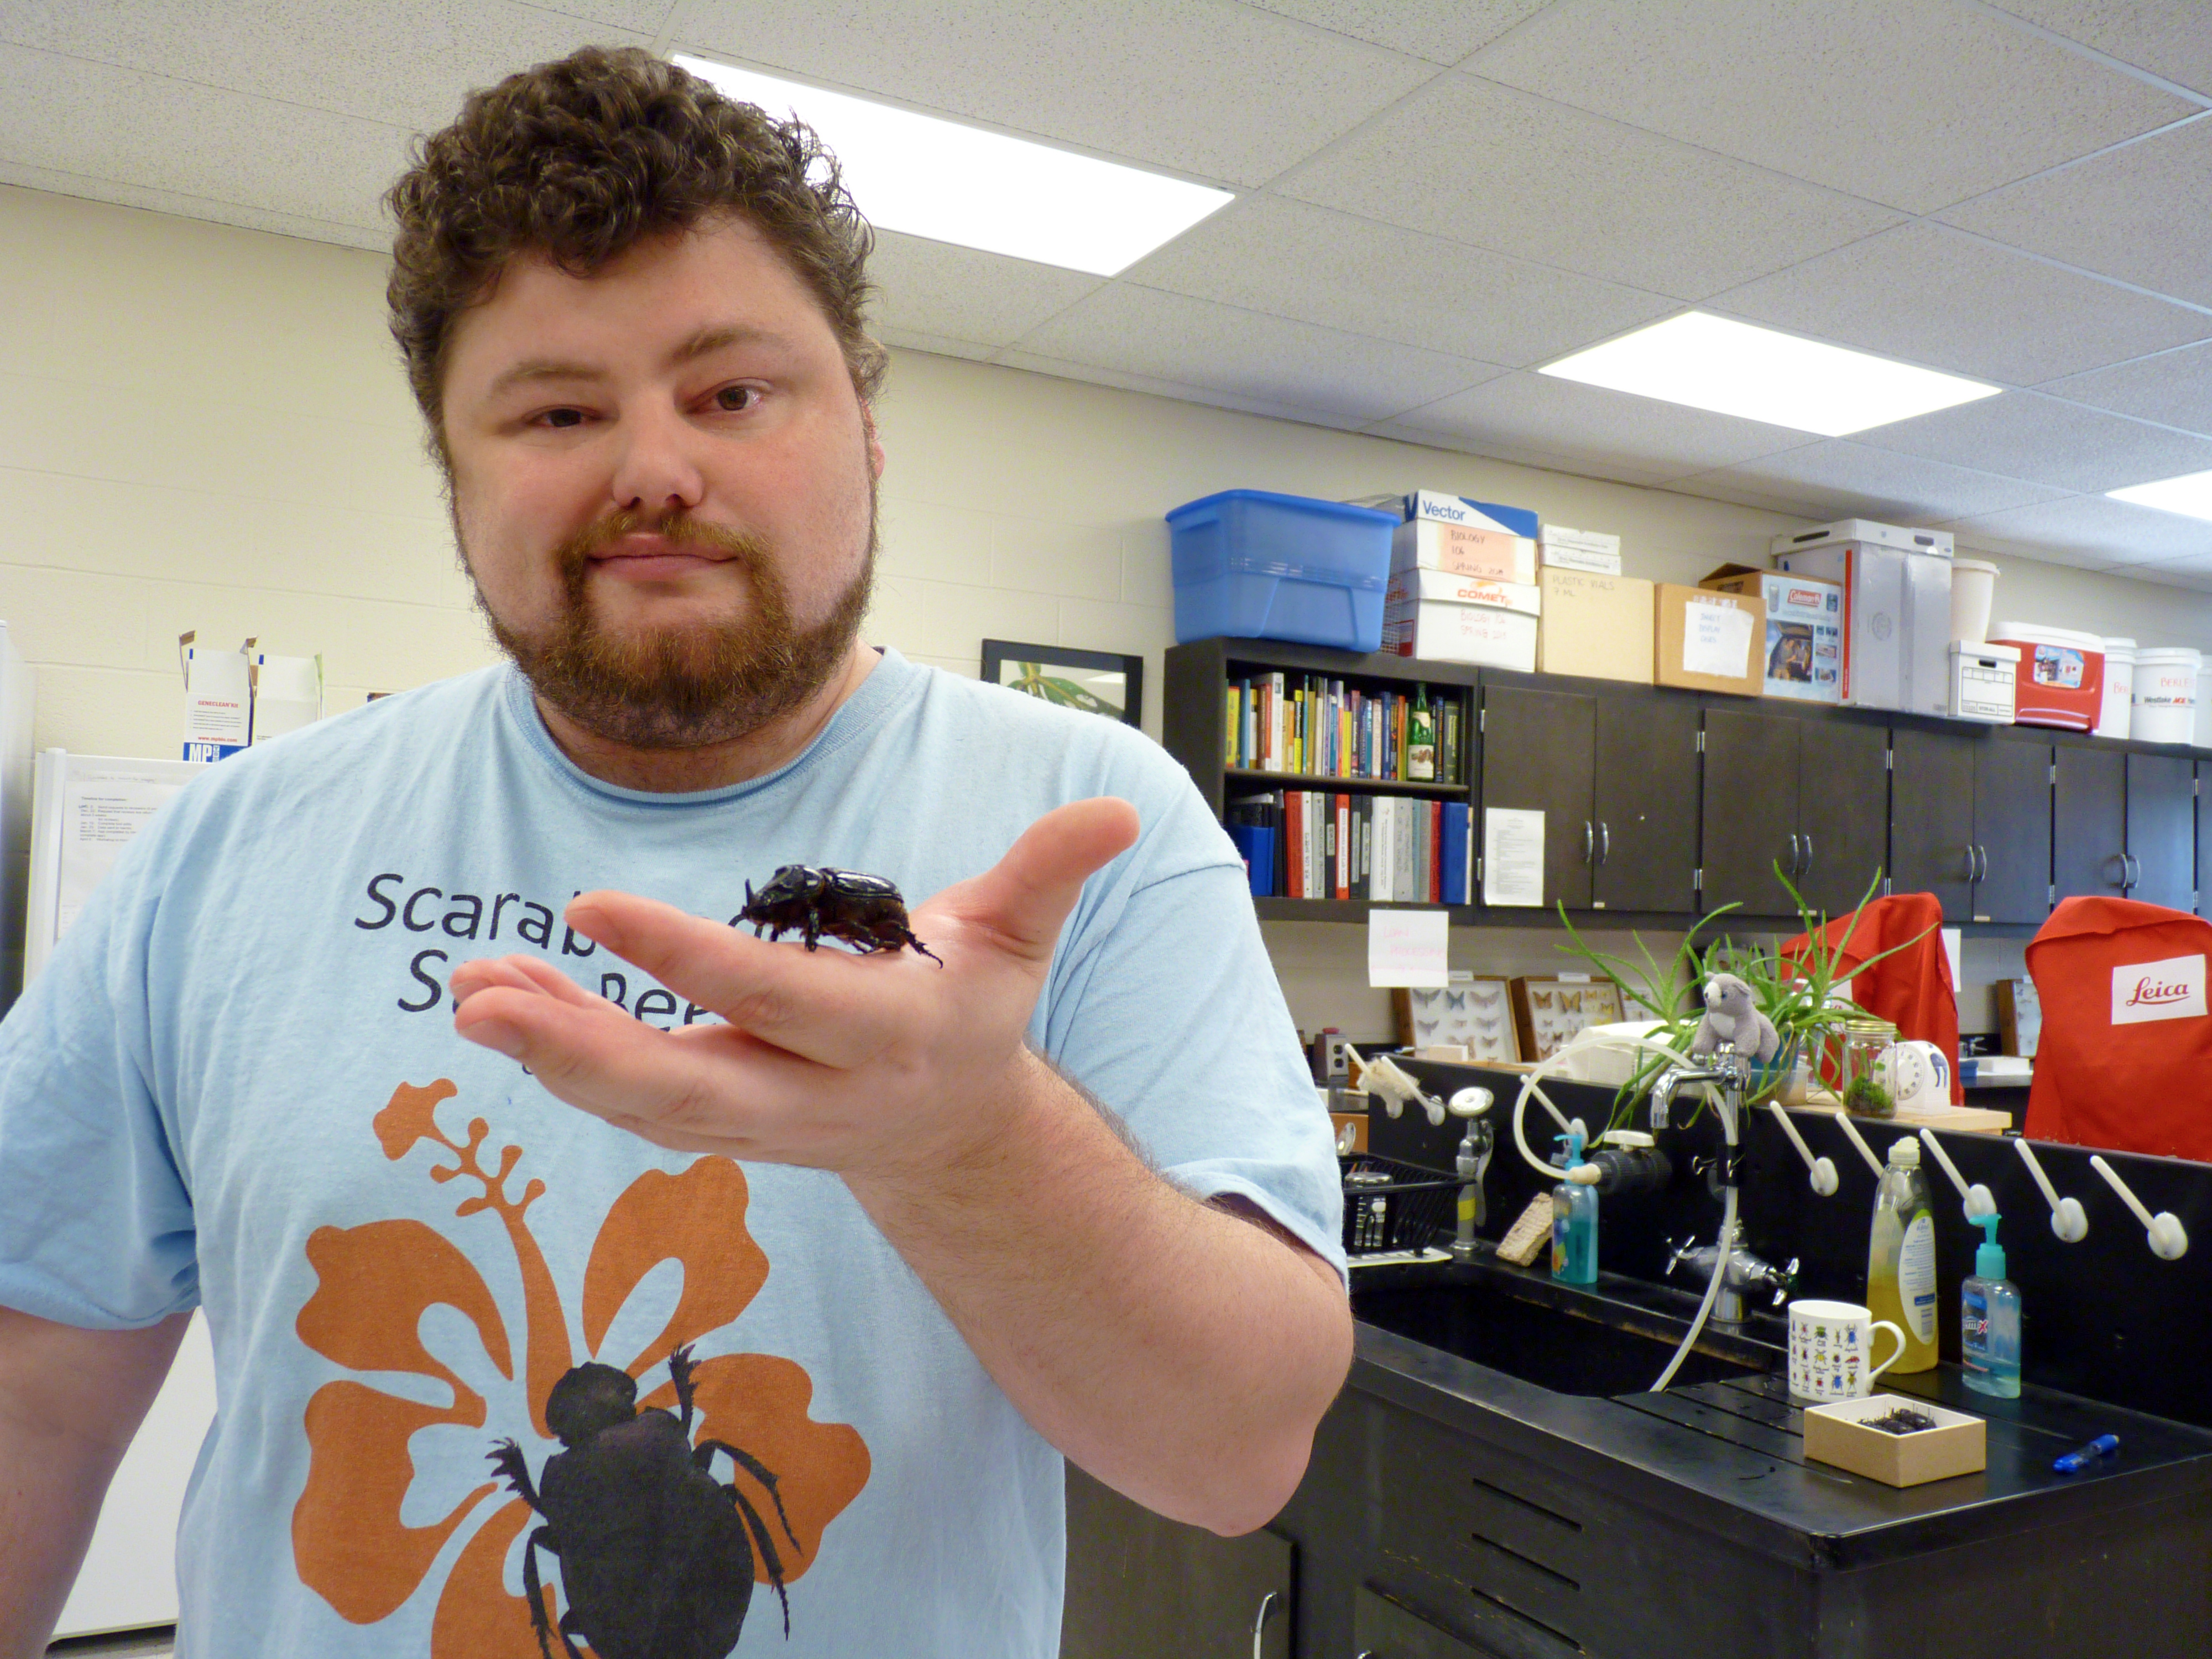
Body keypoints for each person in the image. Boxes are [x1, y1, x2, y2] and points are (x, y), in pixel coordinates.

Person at [0, 45, 1350, 1659]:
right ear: (457, 473)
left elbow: (1236, 1455)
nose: (654, 468)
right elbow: (33, 1394)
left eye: (732, 392)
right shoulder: (221, 853)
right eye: (560, 408)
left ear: (865, 430)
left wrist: (972, 1140)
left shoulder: (1096, 836)